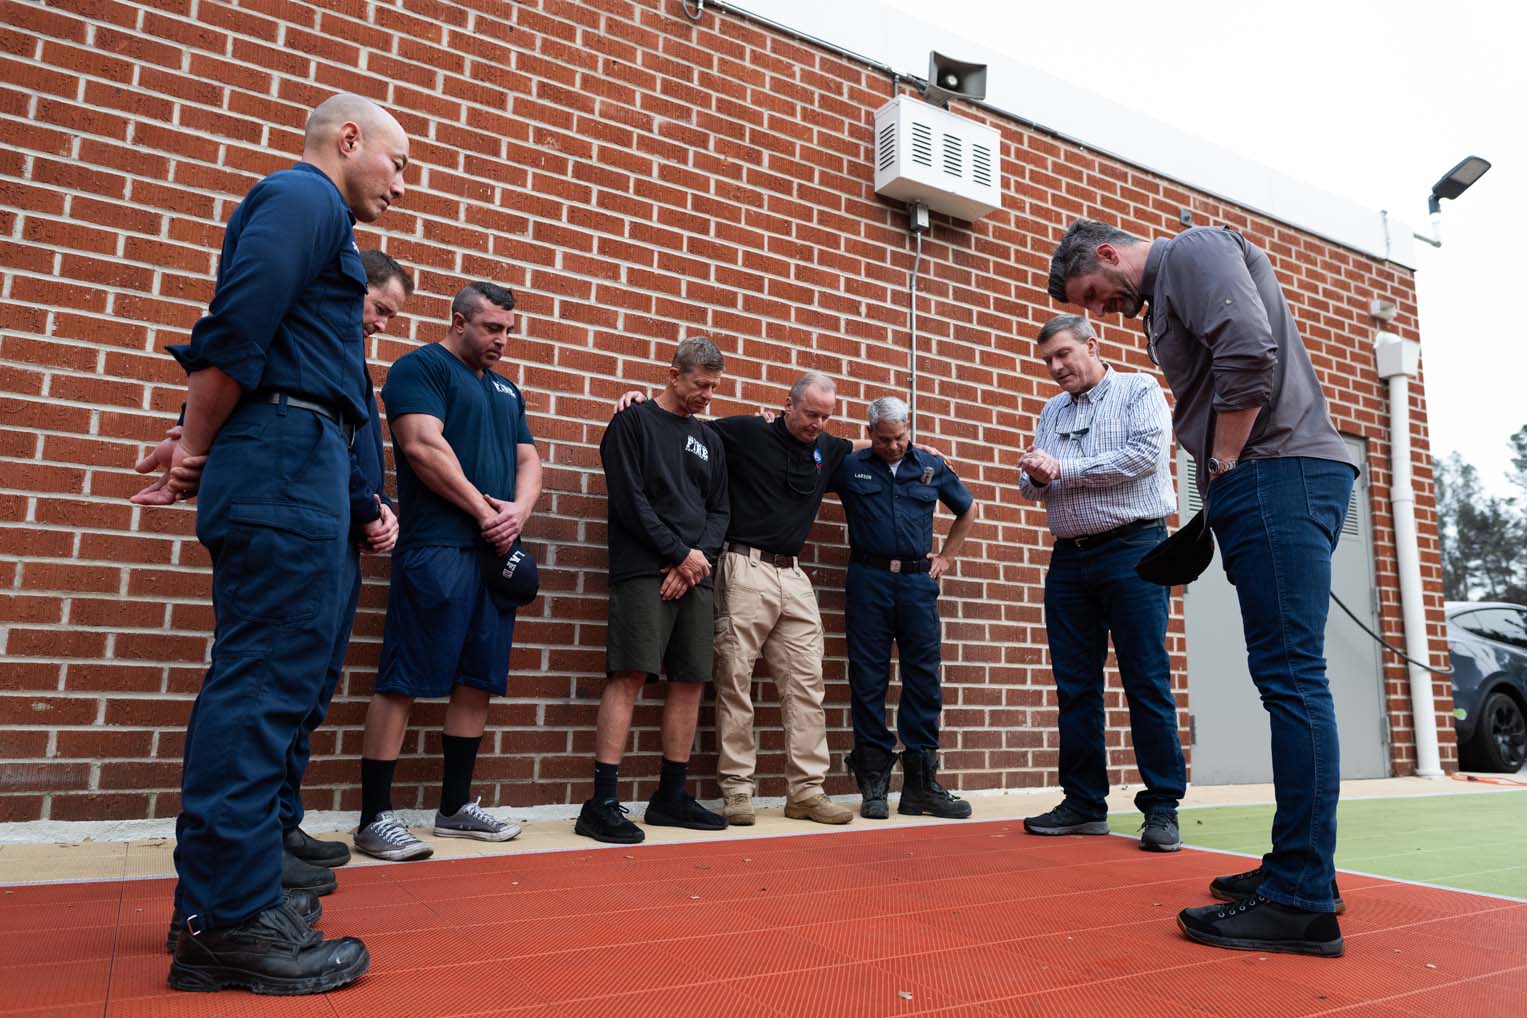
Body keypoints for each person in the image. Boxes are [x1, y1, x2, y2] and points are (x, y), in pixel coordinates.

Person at [131, 93, 408, 995]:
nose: (401, 188)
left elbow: (263, 342)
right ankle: (231, 921)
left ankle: (221, 903)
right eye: (398, 165)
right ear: (350, 140)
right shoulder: (307, 198)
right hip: (285, 459)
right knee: (259, 688)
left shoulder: (318, 213)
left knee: (274, 686)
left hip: (299, 455)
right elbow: (239, 325)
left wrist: (192, 438)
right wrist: (198, 447)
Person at [1049, 218, 1358, 957]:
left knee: (1291, 679)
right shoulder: (1168, 290)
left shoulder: (1190, 252)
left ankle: (1302, 904)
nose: (1096, 309)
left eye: (1091, 293)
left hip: (1273, 474)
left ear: (1107, 254)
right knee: (1285, 677)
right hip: (1267, 478)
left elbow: (1249, 351)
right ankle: (1296, 868)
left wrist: (1219, 463)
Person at [616, 371, 859, 827]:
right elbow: (682, 419)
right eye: (810, 414)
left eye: (826, 416)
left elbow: (867, 449)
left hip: (794, 574)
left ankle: (807, 792)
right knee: (735, 681)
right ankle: (737, 792)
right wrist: (641, 397)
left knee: (808, 686)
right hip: (744, 566)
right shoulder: (745, 431)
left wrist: (914, 448)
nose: (817, 424)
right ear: (787, 405)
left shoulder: (828, 447)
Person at [352, 281, 542, 862]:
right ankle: (374, 817)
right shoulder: (420, 369)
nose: (502, 340)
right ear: (459, 321)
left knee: (477, 680)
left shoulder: (507, 391)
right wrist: (486, 510)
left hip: (493, 554)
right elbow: (421, 446)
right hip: (438, 551)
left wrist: (518, 512)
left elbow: (528, 460)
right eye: (491, 328)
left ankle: (455, 807)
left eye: (508, 330)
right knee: (405, 679)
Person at [1015, 314, 1186, 852]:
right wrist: (1036, 472)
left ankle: (1161, 807)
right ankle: (1085, 803)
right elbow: (1030, 484)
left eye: (1063, 355)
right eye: (1047, 361)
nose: (1056, 367)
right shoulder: (1052, 410)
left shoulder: (1139, 389)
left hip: (1135, 549)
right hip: (1070, 559)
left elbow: (1143, 457)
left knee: (1146, 680)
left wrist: (1061, 470)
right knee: (1075, 688)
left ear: (1093, 345)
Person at [276, 250, 413, 883]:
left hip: (342, 543)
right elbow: (333, 450)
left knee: (315, 689)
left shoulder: (352, 362)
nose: (383, 323)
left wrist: (376, 508)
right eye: (380, 308)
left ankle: (282, 822)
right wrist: (369, 507)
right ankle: (262, 841)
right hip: (314, 534)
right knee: (283, 688)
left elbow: (359, 457)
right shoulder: (310, 345)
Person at [577, 337, 731, 844]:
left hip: (694, 572)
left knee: (689, 679)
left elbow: (719, 510)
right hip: (644, 568)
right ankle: (600, 803)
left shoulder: (710, 440)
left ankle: (671, 797)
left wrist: (695, 561)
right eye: (699, 385)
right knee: (631, 674)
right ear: (673, 374)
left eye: (713, 386)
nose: (706, 395)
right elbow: (629, 500)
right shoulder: (633, 422)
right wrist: (676, 555)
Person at [828, 396, 977, 820]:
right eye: (884, 439)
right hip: (868, 579)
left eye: (900, 437)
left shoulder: (929, 465)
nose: (894, 446)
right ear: (870, 432)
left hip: (916, 582)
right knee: (868, 677)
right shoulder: (852, 464)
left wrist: (946, 557)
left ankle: (920, 785)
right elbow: (811, 463)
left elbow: (967, 509)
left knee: (923, 677)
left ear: (909, 429)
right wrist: (857, 445)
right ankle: (873, 782)